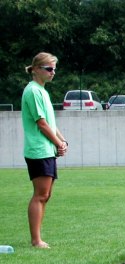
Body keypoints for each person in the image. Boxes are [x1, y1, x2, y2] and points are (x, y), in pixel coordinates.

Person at [21, 52, 68, 249]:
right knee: (40, 194)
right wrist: (57, 142)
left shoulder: (42, 91)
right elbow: (41, 123)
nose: (53, 72)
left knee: (46, 195)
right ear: (37, 69)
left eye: (54, 69)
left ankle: (38, 238)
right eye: (49, 69)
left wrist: (62, 140)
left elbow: (50, 121)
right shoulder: (32, 91)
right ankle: (36, 240)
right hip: (38, 150)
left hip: (47, 149)